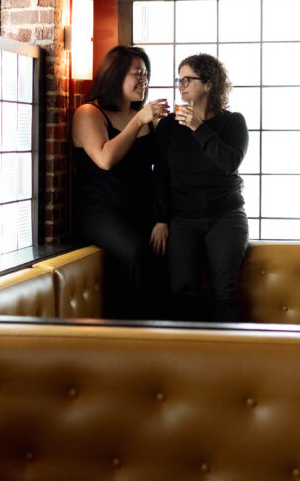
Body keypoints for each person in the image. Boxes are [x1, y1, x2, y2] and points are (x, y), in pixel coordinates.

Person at [72, 45, 170, 319]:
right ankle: (137, 338)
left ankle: (169, 334)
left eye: (146, 74)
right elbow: (105, 158)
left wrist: (163, 218)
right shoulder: (89, 113)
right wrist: (138, 120)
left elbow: (166, 167)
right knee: (137, 253)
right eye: (137, 73)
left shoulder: (149, 120)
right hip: (102, 211)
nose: (144, 80)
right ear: (115, 75)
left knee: (172, 251)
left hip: (143, 209)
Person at [153, 53, 249, 322]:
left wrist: (198, 127)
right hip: (183, 218)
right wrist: (161, 219)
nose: (181, 85)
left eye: (187, 79)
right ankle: (188, 360)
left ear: (208, 84)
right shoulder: (170, 126)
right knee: (182, 292)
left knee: (224, 293)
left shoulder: (233, 123)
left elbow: (229, 162)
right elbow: (161, 173)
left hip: (225, 216)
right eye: (179, 79)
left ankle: (227, 359)